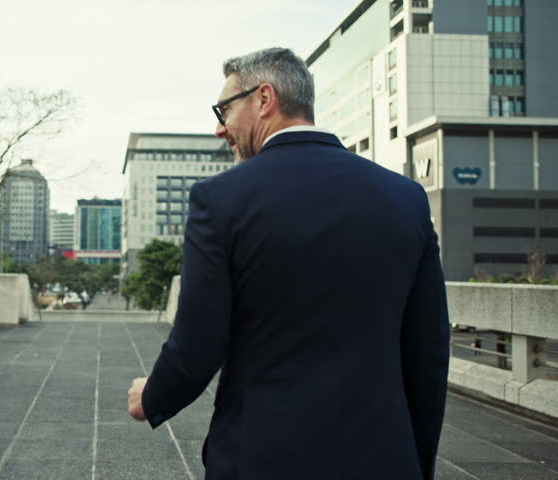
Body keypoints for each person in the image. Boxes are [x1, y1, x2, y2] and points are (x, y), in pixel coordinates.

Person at [127, 48, 450, 479]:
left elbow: (199, 340)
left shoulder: (220, 200)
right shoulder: (406, 198)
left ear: (264, 99)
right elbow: (427, 352)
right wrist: (417, 461)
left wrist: (152, 396)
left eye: (225, 109)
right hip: (382, 457)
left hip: (262, 456)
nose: (220, 128)